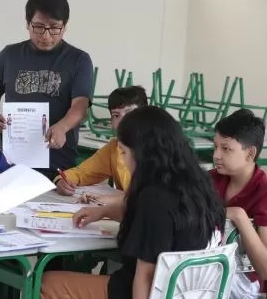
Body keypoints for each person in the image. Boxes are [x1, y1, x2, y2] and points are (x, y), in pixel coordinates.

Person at [40, 106, 225, 299]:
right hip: (189, 292)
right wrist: (104, 212)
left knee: (46, 283)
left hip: (149, 291)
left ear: (143, 153)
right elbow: (162, 224)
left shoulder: (154, 198)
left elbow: (145, 276)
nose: (123, 160)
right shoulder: (198, 185)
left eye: (124, 152)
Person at [0, 0, 94, 181]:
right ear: (27, 24)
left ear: (65, 26)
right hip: (12, 161)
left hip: (58, 161)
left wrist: (62, 127)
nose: (46, 35)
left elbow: (80, 106)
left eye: (54, 28)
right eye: (39, 27)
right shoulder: (9, 55)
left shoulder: (78, 60)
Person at [55, 86, 148, 204]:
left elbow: (151, 197)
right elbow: (83, 172)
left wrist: (107, 200)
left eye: (129, 113)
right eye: (116, 115)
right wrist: (62, 181)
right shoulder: (114, 148)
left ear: (146, 114)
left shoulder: (160, 147)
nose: (123, 120)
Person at [210, 109, 267, 299]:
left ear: (250, 153)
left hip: (244, 283)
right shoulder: (210, 179)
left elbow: (265, 269)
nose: (216, 155)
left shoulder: (264, 191)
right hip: (208, 267)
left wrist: (239, 216)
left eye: (226, 149)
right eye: (215, 147)